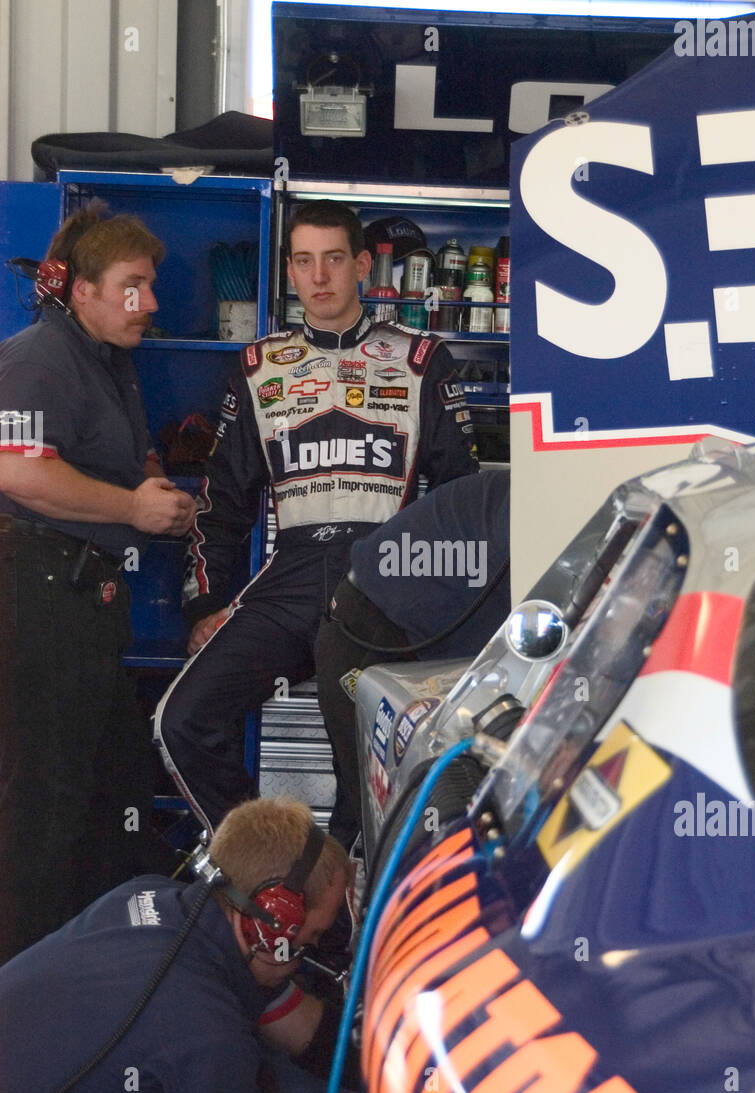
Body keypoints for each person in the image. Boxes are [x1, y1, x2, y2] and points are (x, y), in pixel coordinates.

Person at [154, 199, 477, 837]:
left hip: (381, 579)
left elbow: (463, 498)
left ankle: (343, 914)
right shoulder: (259, 367)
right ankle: (275, 872)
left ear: (361, 265)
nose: (320, 276)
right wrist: (206, 603)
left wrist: (443, 601)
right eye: (304, 261)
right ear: (292, 274)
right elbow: (221, 504)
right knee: (181, 721)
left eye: (333, 259)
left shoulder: (419, 360)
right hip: (292, 575)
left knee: (366, 767)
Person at [0, 203, 197, 965]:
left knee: (105, 791)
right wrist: (132, 508)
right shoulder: (40, 358)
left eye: (148, 287)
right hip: (38, 596)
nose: (148, 303)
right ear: (80, 290)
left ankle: (83, 974)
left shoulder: (108, 364)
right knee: (41, 809)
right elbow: (17, 470)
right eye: (133, 286)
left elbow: (111, 460)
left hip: (83, 602)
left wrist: (151, 482)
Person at [0, 796, 354, 1093]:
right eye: (308, 941)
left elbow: (304, 1028)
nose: (303, 959)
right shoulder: (206, 1029)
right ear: (270, 921)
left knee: (243, 1084)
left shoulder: (150, 897)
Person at [315, 468, 511, 847]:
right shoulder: (526, 511)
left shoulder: (520, 501)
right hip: (369, 639)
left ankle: (350, 897)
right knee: (386, 828)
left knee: (365, 822)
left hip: (394, 637)